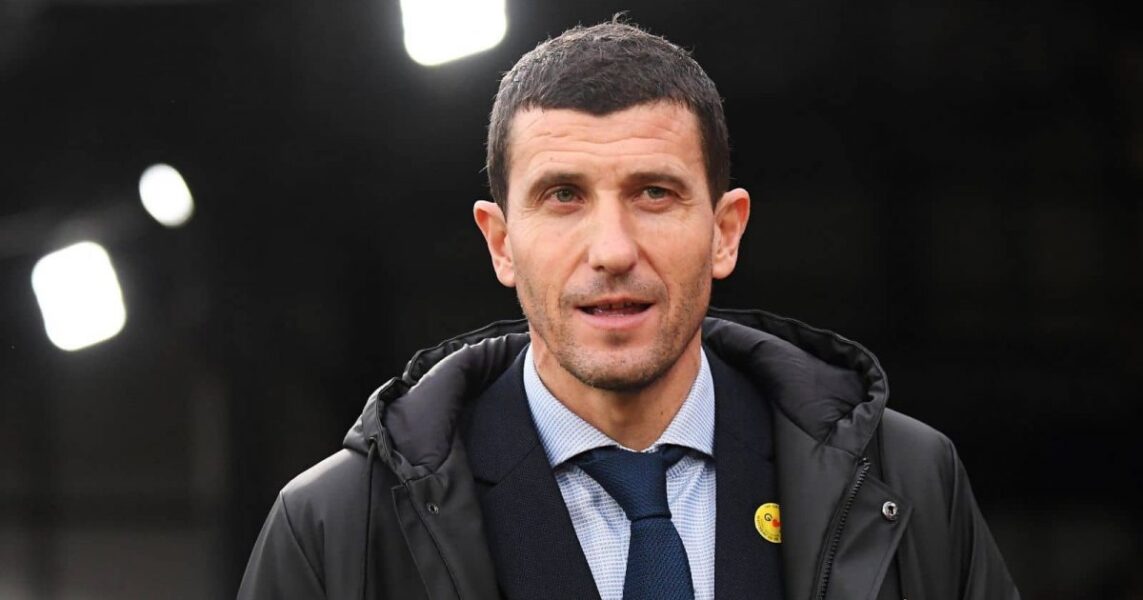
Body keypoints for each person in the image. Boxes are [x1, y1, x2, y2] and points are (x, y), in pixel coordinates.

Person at [237, 20, 1020, 600]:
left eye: (653, 192)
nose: (611, 249)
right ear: (500, 243)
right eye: (563, 195)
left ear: (724, 231)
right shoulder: (336, 526)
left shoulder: (908, 482)